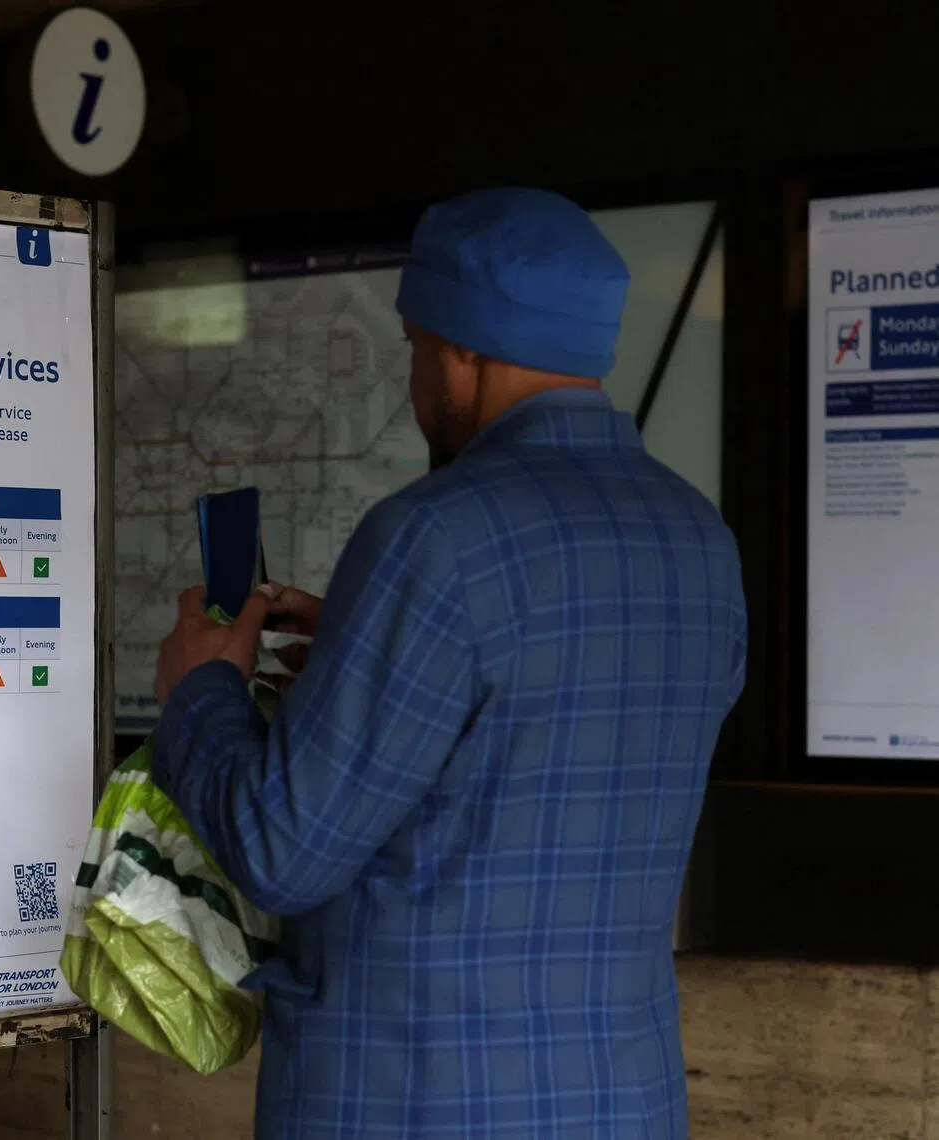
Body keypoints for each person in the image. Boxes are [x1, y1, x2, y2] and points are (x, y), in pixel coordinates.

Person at [152, 187, 747, 1139]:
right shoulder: (701, 543)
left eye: (416, 347)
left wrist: (203, 689)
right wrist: (353, 667)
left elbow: (279, 852)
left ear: (465, 350)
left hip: (415, 1103)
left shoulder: (433, 535)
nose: (415, 379)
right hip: (620, 1102)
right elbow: (535, 769)